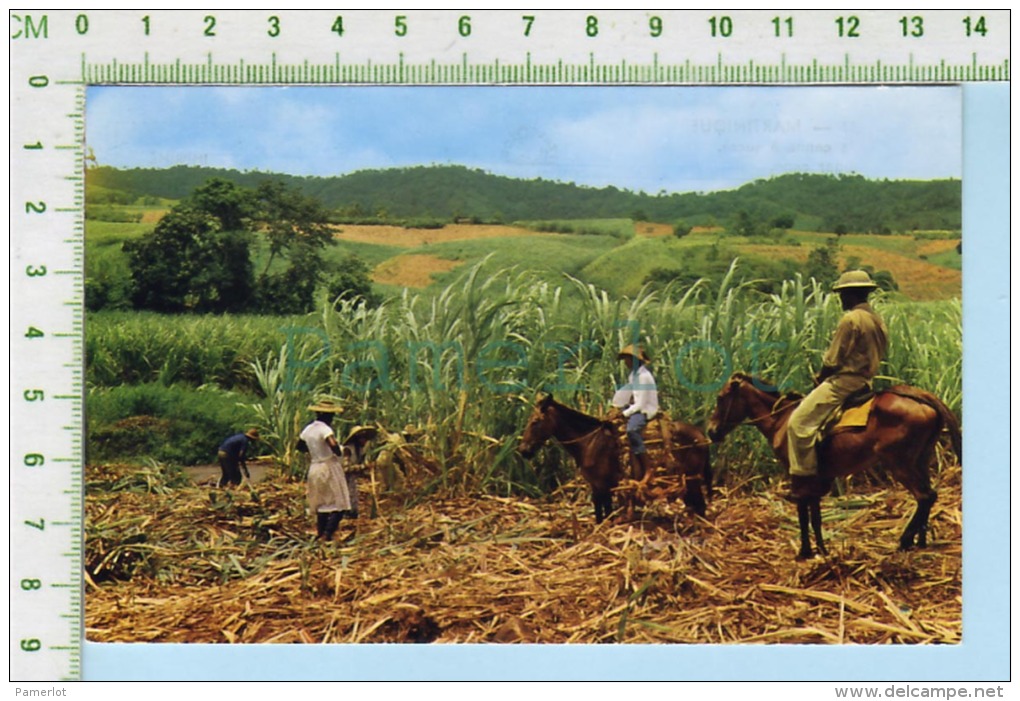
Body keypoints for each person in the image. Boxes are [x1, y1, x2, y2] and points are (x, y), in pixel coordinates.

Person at [787, 270, 889, 493]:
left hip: (844, 381)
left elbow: (833, 359)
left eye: (843, 294)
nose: (841, 299)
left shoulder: (851, 319)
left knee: (798, 423)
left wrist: (820, 378)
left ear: (851, 294)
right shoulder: (876, 319)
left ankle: (804, 481)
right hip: (864, 381)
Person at [298, 400, 353, 541]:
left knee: (322, 503)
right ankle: (327, 534)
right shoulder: (325, 429)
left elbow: (300, 446)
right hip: (328, 466)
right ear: (328, 416)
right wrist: (339, 451)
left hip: (314, 466)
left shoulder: (308, 429)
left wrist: (314, 451)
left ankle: (320, 533)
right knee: (340, 503)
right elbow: (333, 445)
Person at [612, 344, 659, 481]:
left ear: (635, 360)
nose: (626, 363)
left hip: (645, 410)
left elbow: (640, 404)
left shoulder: (644, 377)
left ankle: (647, 468)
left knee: (632, 430)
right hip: (635, 406)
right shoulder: (633, 375)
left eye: (627, 359)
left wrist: (625, 413)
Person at [341, 426, 379, 519]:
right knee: (346, 495)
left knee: (352, 495)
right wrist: (364, 467)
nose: (365, 441)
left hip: (351, 477)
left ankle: (352, 514)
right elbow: (346, 469)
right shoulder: (348, 450)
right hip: (341, 477)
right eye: (363, 438)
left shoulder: (360, 450)